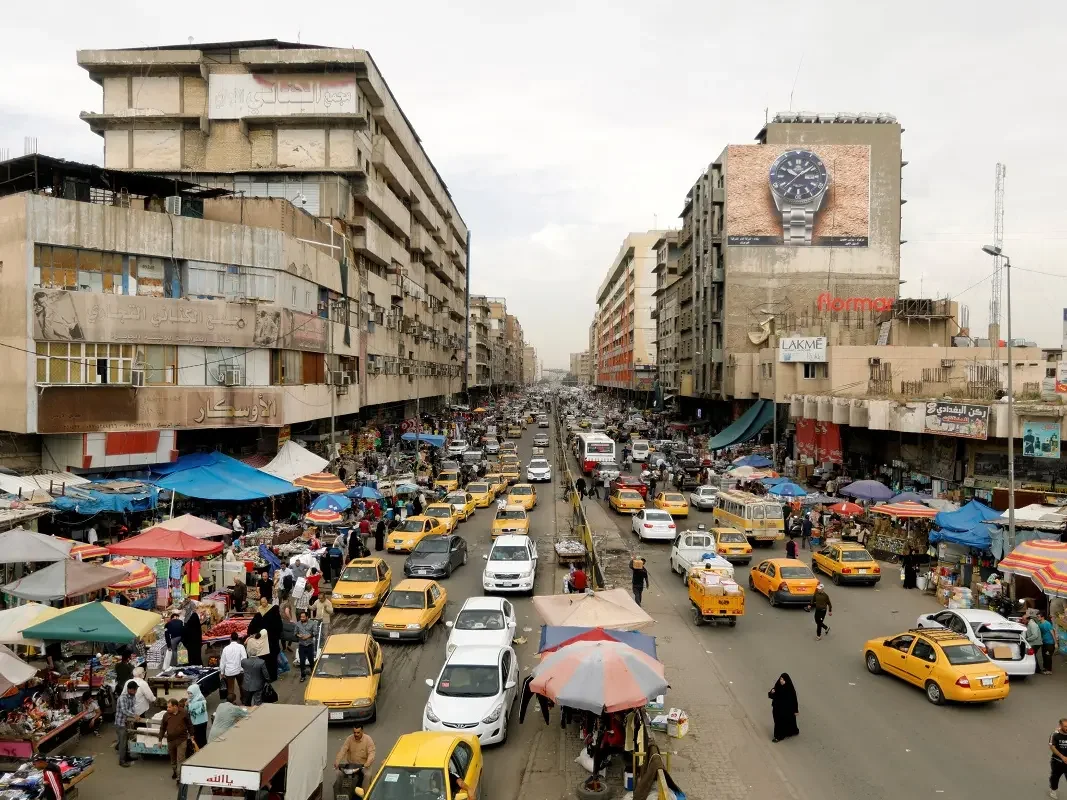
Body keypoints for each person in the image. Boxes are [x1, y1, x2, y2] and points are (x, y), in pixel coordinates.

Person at [158, 698, 193, 780]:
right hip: (171, 740)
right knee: (173, 758)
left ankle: (180, 777)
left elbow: (189, 724)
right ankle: (174, 770)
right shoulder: (166, 715)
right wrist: (160, 740)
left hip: (182, 739)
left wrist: (192, 734)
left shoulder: (184, 713)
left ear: (175, 706)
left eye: (169, 707)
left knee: (181, 758)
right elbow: (162, 728)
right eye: (167, 707)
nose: (167, 709)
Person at [768, 673, 799, 743]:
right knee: (777, 722)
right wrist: (772, 692)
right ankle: (780, 735)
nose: (781, 681)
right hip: (776, 708)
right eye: (781, 679)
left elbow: (794, 700)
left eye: (783, 680)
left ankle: (778, 737)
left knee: (782, 722)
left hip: (785, 710)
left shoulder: (790, 689)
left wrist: (795, 710)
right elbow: (771, 696)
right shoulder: (777, 686)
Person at [114, 680, 139, 768]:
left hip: (127, 722)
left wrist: (134, 717)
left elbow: (132, 708)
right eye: (135, 690)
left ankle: (127, 756)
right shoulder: (122, 698)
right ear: (130, 689)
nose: (136, 691)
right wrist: (134, 715)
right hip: (121, 723)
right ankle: (122, 761)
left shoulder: (133, 697)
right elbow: (124, 710)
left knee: (127, 741)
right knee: (123, 743)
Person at [220, 633, 247, 700]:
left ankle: (231, 701)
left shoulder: (226, 648)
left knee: (230, 689)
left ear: (230, 639)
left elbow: (223, 661)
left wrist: (222, 672)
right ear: (238, 639)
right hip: (240, 670)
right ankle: (244, 700)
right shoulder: (241, 647)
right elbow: (244, 659)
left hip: (229, 672)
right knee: (242, 686)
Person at [296, 611, 316, 683]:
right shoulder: (298, 624)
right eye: (301, 617)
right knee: (302, 662)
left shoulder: (312, 623)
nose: (302, 618)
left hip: (310, 645)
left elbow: (315, 632)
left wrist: (308, 636)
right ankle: (303, 676)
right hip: (301, 645)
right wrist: (299, 635)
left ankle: (313, 673)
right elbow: (295, 633)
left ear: (307, 617)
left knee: (311, 660)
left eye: (303, 617)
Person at [186, 684, 209, 749]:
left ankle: (203, 750)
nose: (189, 695)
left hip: (201, 722)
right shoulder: (190, 699)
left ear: (195, 692)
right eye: (188, 693)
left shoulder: (201, 699)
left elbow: (202, 710)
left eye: (191, 693)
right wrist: (187, 706)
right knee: (196, 738)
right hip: (194, 722)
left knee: (201, 738)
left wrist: (189, 708)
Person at [181, 602, 204, 666]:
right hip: (196, 646)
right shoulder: (198, 627)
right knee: (196, 657)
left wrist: (184, 643)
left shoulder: (188, 626)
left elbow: (184, 637)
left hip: (189, 646)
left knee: (189, 658)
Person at [1051, 717, 1067, 798]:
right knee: (1055, 777)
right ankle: (1053, 790)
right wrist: (1062, 757)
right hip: (1057, 761)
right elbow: (1052, 747)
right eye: (1065, 726)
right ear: (1060, 726)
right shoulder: (1055, 734)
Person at [1039, 611, 1057, 675]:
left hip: (1050, 643)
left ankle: (1049, 670)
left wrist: (1055, 643)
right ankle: (1045, 668)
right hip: (1044, 642)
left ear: (1042, 617)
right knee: (1044, 655)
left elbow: (1053, 633)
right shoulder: (1039, 624)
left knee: (1048, 656)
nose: (1037, 617)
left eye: (1038, 616)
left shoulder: (1047, 624)